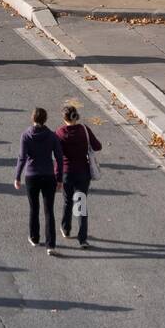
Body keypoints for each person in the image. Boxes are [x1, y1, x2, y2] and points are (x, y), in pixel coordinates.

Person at [14, 107, 64, 254]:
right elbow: (59, 158)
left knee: (34, 208)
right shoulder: (52, 136)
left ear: (32, 118)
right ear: (45, 119)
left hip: (32, 176)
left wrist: (17, 176)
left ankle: (34, 237)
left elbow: (22, 158)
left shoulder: (26, 135)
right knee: (49, 211)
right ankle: (51, 245)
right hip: (49, 176)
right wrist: (59, 178)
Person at [55, 104, 102, 248]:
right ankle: (82, 239)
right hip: (83, 172)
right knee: (81, 203)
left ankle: (66, 229)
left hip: (67, 173)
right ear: (76, 116)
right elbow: (97, 146)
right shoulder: (84, 130)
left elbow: (57, 157)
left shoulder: (60, 133)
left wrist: (57, 177)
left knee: (68, 202)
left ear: (64, 118)